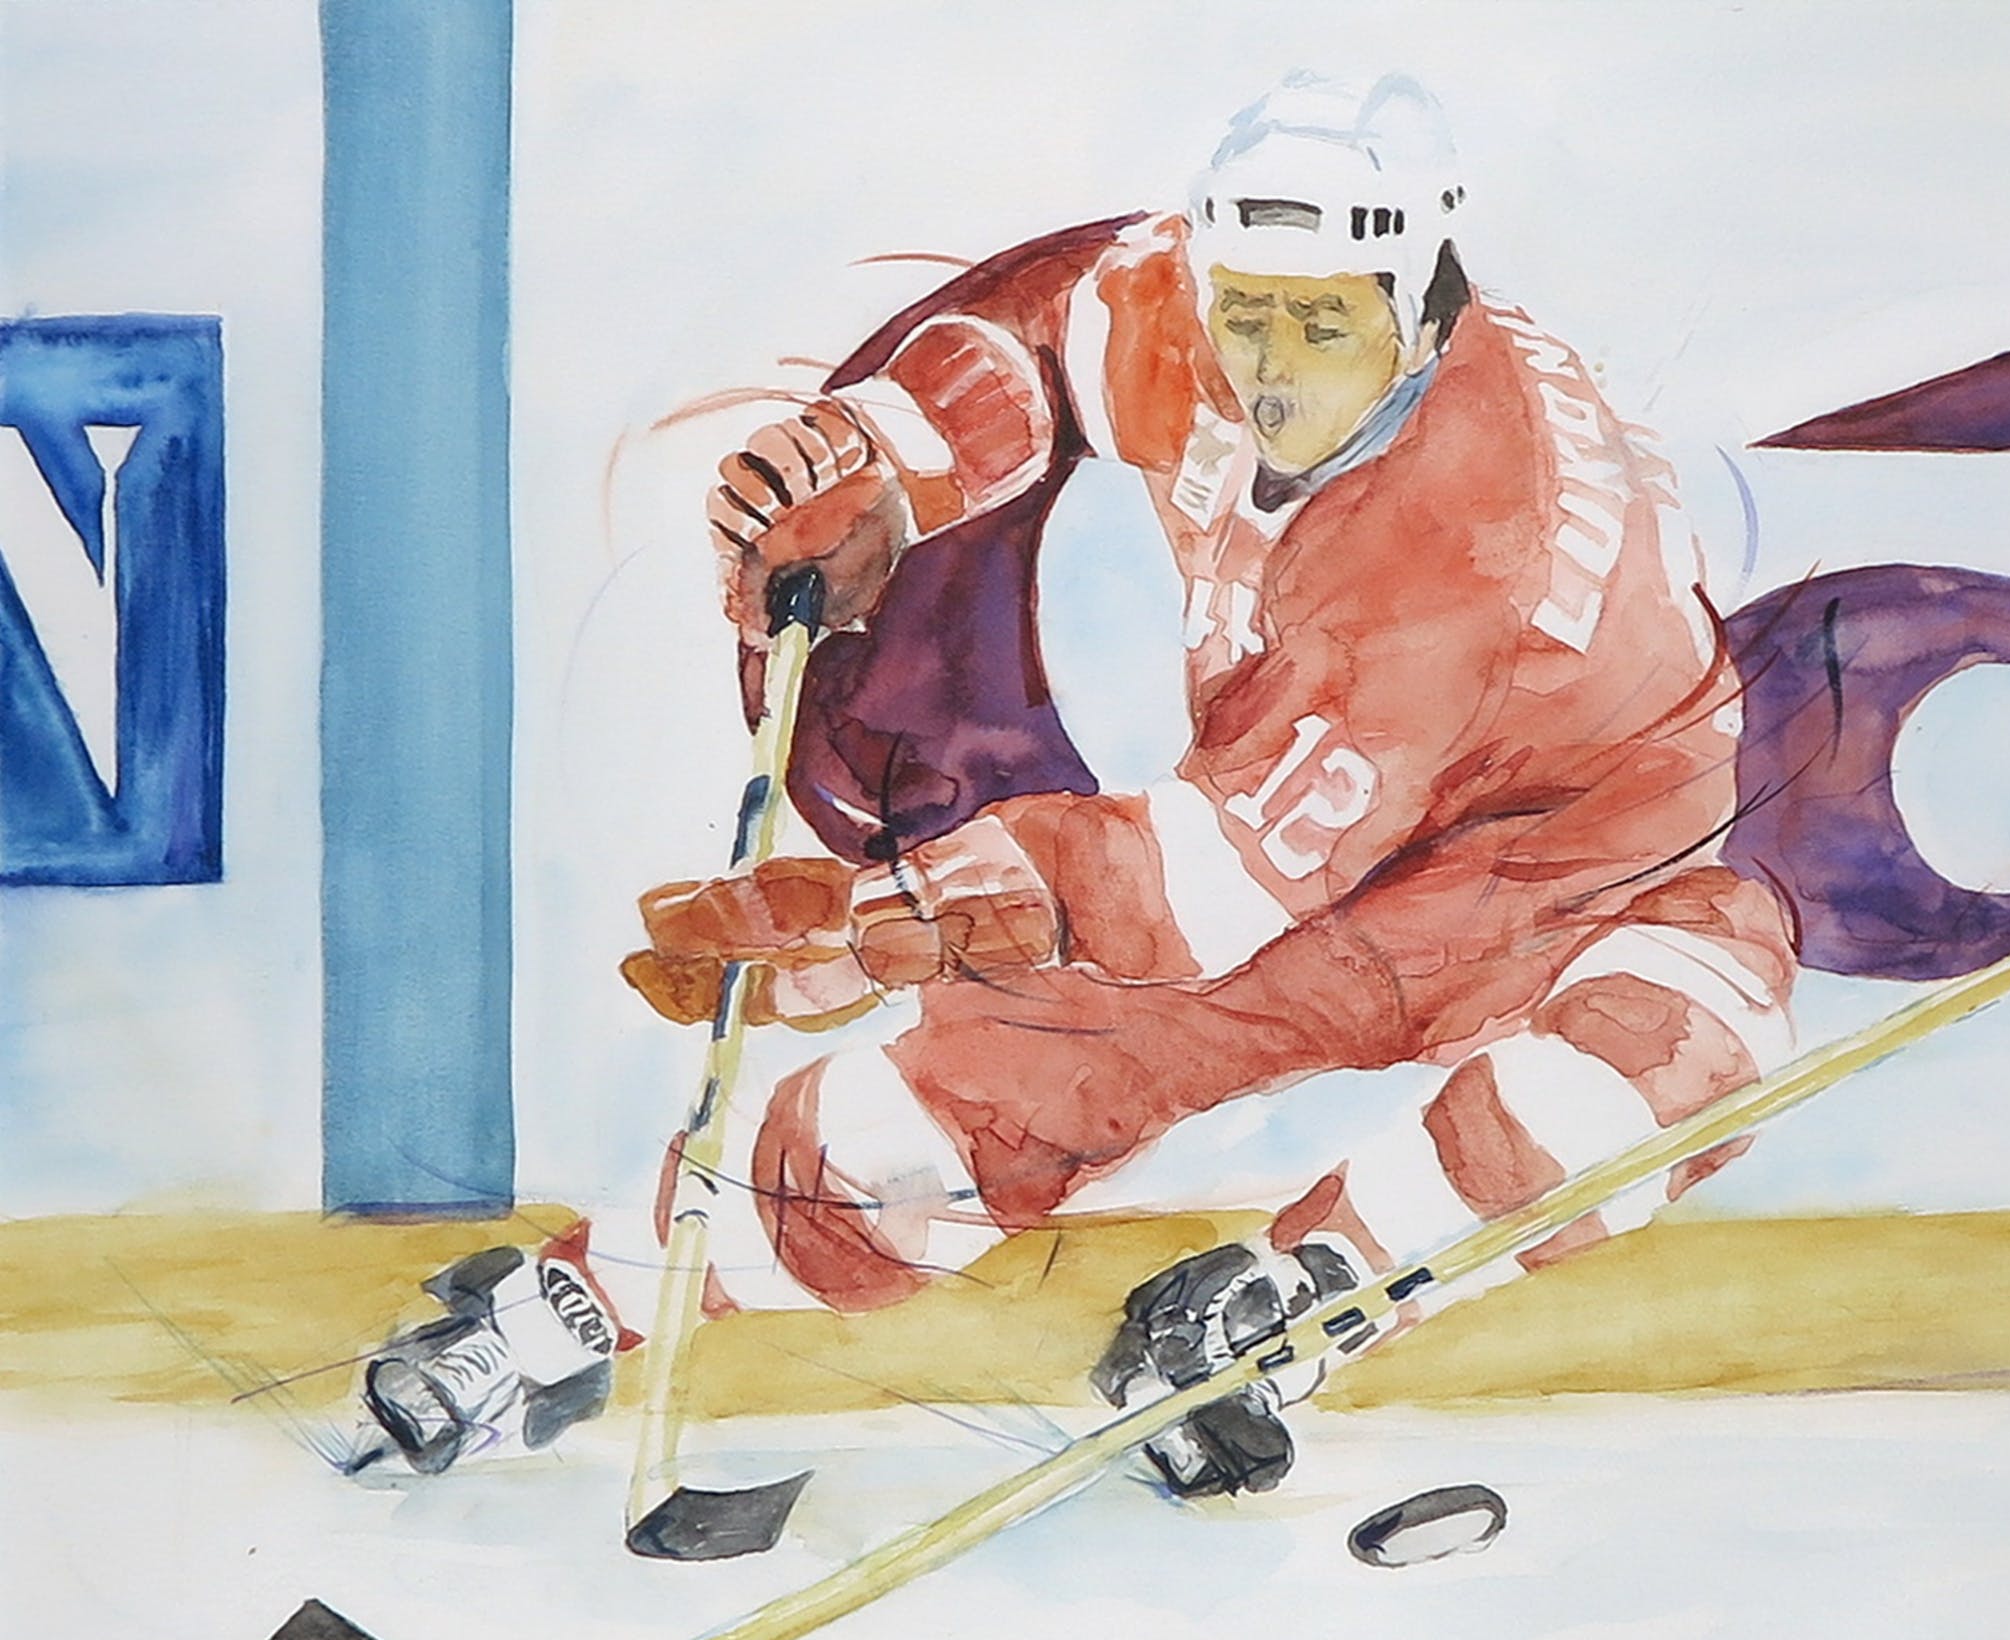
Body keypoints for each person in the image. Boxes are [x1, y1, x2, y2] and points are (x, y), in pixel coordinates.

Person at [355, 73, 1797, 1497]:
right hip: (1310, 825)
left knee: (1686, 1040)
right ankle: (562, 1314)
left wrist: (876, 926)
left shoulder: (1470, 536)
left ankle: (1287, 1302)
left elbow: (1205, 889)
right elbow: (1047, 338)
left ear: (1425, 305)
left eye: (1325, 325)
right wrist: (884, 468)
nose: (1274, 368)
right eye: (1251, 315)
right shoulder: (1192, 302)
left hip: (1566, 865)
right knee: (969, 1106)